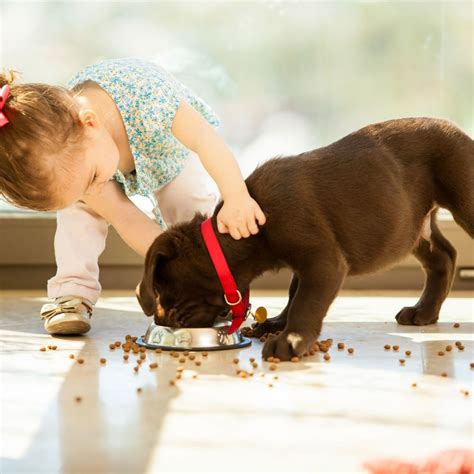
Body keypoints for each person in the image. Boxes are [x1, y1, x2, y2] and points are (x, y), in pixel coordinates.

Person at [0, 57, 266, 335]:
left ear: (90, 123)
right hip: (93, 160)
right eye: (81, 190)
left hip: (167, 154)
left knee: (188, 203)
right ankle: (71, 293)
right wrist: (167, 262)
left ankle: (207, 286)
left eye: (91, 180)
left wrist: (236, 195)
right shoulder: (78, 162)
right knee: (78, 216)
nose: (93, 191)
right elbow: (126, 217)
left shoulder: (151, 99)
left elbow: (205, 139)